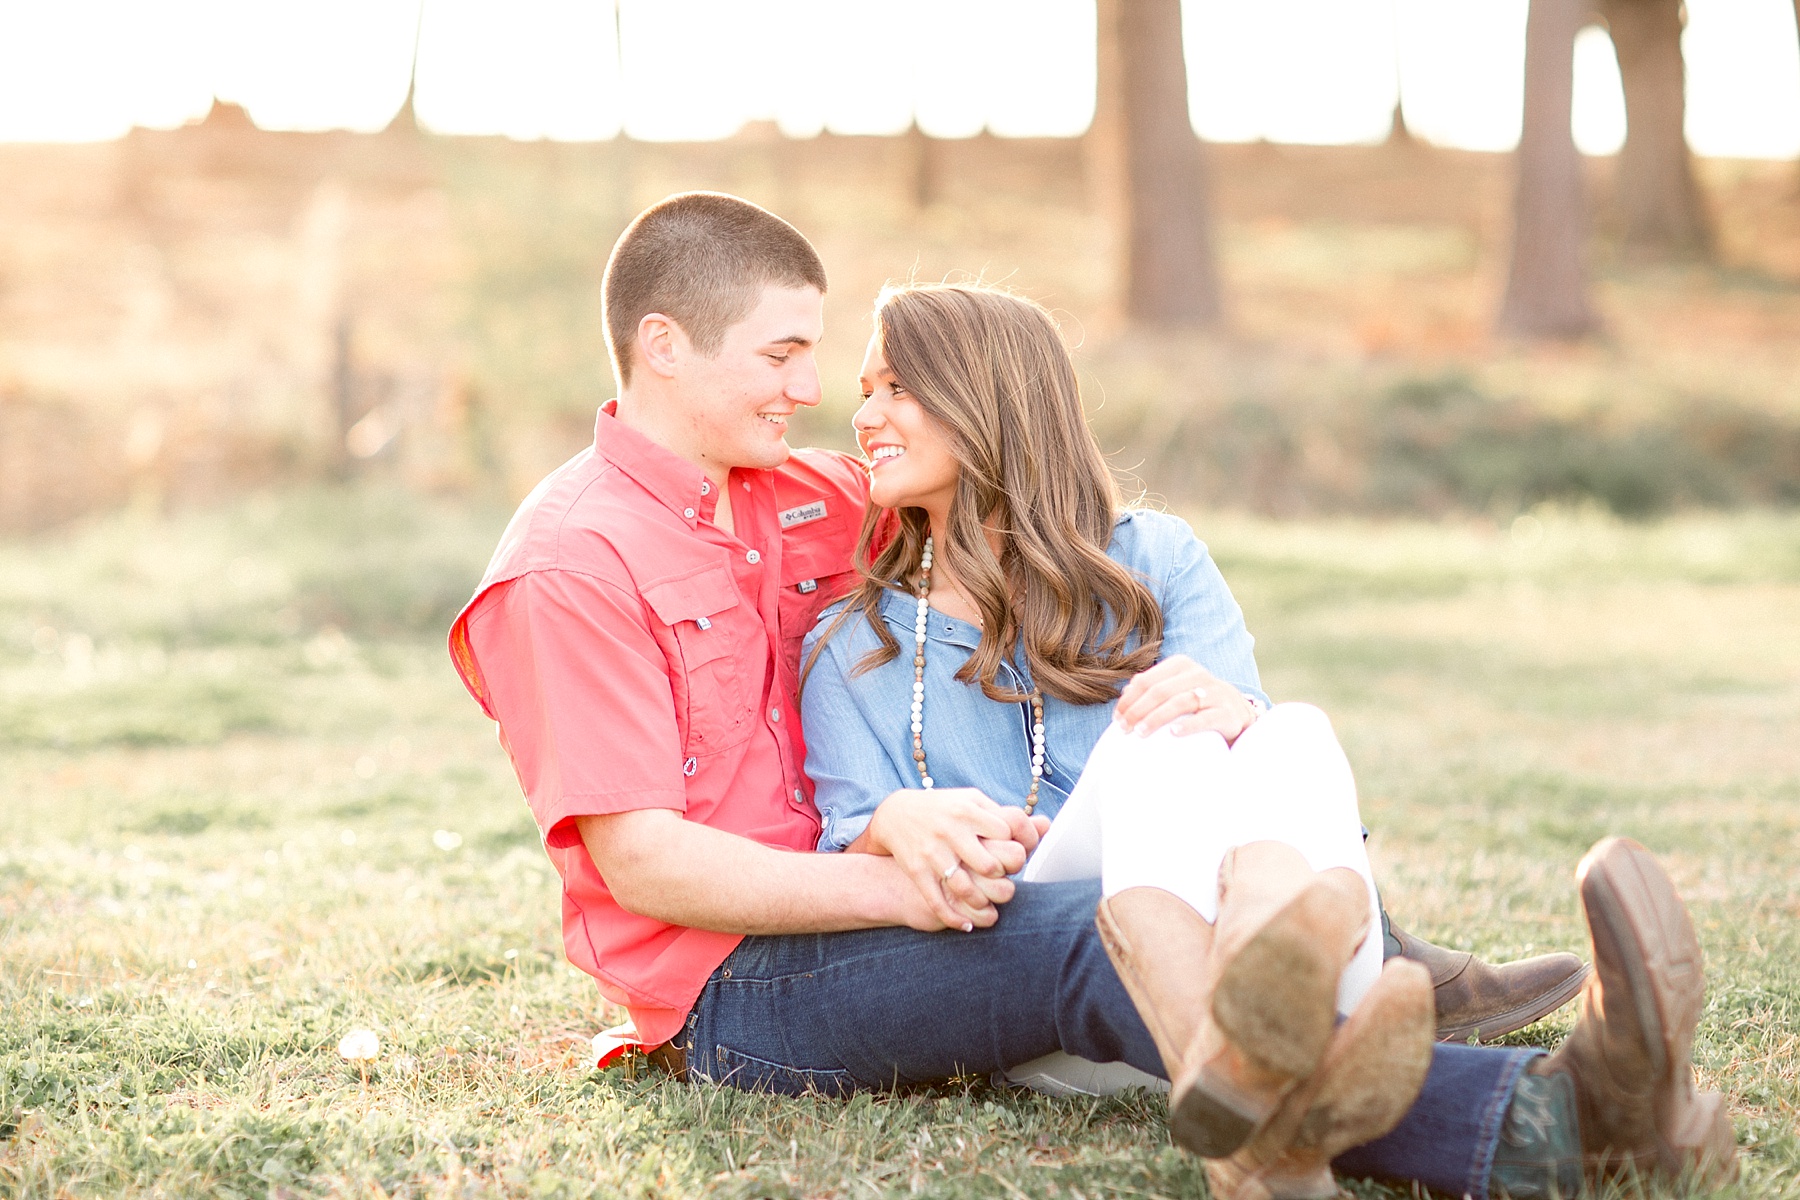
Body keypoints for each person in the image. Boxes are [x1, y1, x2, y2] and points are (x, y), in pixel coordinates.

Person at [447, 192, 1735, 1199]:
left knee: (1215, 784)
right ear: (662, 347)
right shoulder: (568, 568)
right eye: (785, 356)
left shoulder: (803, 490)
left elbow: (983, 480)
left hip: (908, 893)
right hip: (743, 985)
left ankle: (1397, 995)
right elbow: (645, 864)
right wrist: (894, 871)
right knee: (1107, 931)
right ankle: (1551, 1128)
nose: (814, 394)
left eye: (825, 367)